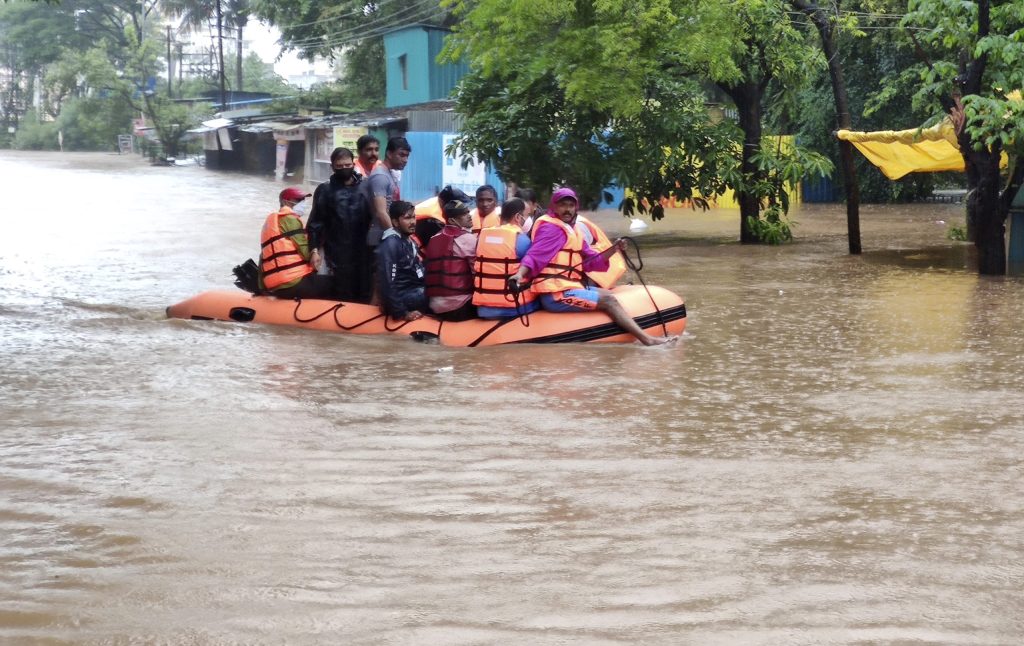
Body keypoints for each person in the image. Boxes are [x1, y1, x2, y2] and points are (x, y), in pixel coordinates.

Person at [509, 187, 673, 346]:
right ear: (554, 207)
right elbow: (535, 256)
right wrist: (519, 274)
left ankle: (635, 332)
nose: (567, 209)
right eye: (563, 205)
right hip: (555, 295)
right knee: (609, 300)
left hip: (566, 287)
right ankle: (647, 340)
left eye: (571, 205)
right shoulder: (550, 228)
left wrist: (614, 249)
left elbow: (591, 261)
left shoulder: (572, 230)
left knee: (610, 295)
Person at [306, 147, 373, 302]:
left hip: (364, 249)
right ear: (332, 167)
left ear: (353, 164)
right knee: (342, 291)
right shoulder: (325, 189)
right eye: (339, 166)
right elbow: (315, 223)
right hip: (337, 251)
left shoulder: (366, 186)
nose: (344, 169)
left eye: (347, 165)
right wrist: (314, 250)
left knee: (364, 289)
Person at [258, 187, 335, 300]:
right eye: (298, 200)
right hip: (292, 282)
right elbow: (306, 254)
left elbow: (262, 258)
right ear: (285, 202)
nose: (303, 203)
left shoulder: (270, 224)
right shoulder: (290, 219)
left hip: (273, 285)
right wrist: (317, 248)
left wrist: (262, 289)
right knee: (335, 283)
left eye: (303, 200)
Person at [472, 198, 540, 319]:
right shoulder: (521, 240)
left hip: (483, 308)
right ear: (518, 217)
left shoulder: (481, 236)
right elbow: (533, 267)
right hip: (513, 306)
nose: (527, 219)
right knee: (542, 300)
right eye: (526, 216)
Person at [423, 200, 478, 321]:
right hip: (460, 306)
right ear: (452, 220)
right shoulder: (468, 239)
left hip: (434, 306)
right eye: (464, 214)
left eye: (468, 212)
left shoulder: (433, 239)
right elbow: (477, 273)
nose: (469, 216)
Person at [377, 201, 428, 321]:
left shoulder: (409, 241)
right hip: (403, 297)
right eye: (407, 218)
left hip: (415, 290)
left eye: (414, 217)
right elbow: (388, 282)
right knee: (437, 296)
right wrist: (402, 313)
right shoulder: (391, 244)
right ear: (395, 222)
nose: (413, 222)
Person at [363, 136, 412, 249]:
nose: (405, 160)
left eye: (407, 156)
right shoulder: (380, 176)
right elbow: (381, 212)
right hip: (379, 239)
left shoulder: (388, 174)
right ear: (389, 154)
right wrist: (395, 238)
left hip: (386, 237)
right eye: (401, 155)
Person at [574, 212, 628, 289]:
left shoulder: (577, 225)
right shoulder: (570, 221)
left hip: (600, 267)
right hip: (605, 264)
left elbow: (583, 255)